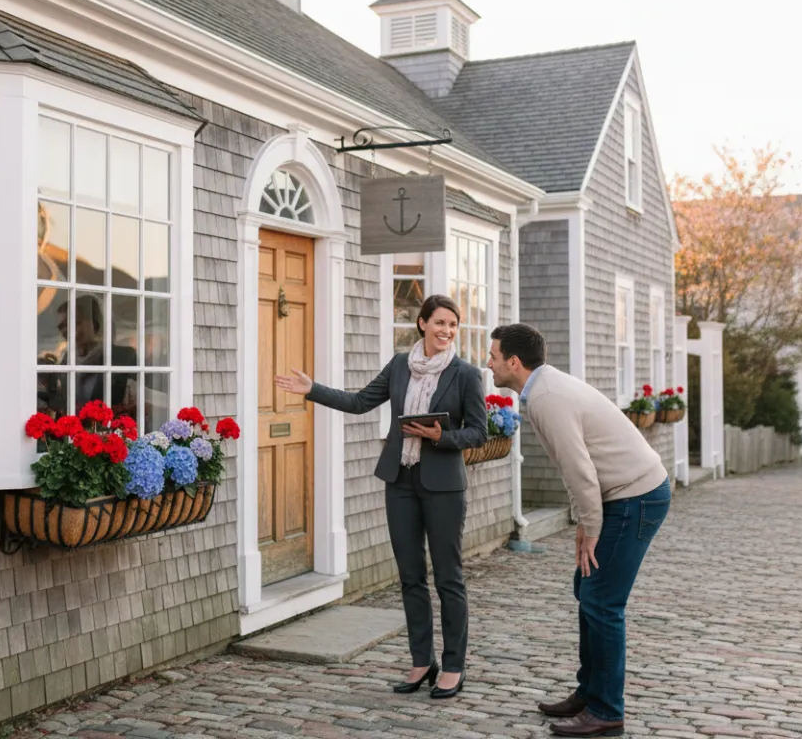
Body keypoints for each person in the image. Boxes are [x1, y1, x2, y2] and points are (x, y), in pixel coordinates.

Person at [275, 294, 487, 699]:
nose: (446, 331)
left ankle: (454, 665)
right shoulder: (398, 366)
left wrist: (442, 437)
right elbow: (358, 403)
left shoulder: (466, 374)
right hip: (400, 483)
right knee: (410, 578)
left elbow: (479, 431)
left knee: (448, 579)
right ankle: (422, 661)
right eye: (439, 323)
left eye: (453, 325)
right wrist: (311, 389)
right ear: (422, 324)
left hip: (444, 487)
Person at [486, 323, 671, 738]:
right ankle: (590, 693)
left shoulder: (547, 397)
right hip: (622, 495)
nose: (489, 362)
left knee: (602, 601)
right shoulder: (542, 389)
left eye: (494, 355)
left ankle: (606, 711)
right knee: (587, 589)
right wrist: (585, 521)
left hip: (636, 496)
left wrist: (589, 526)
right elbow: (580, 468)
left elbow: (579, 469)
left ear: (514, 362)